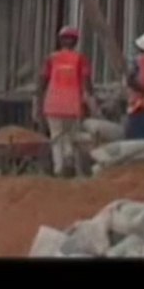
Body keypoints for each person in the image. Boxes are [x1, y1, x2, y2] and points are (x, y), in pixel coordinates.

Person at [35, 26, 96, 178]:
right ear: (76, 41)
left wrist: (38, 103)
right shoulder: (80, 59)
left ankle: (59, 168)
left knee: (56, 137)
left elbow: (42, 82)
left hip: (53, 104)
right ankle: (69, 162)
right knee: (71, 137)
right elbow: (87, 83)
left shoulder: (51, 58)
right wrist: (92, 102)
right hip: (72, 105)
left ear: (60, 40)